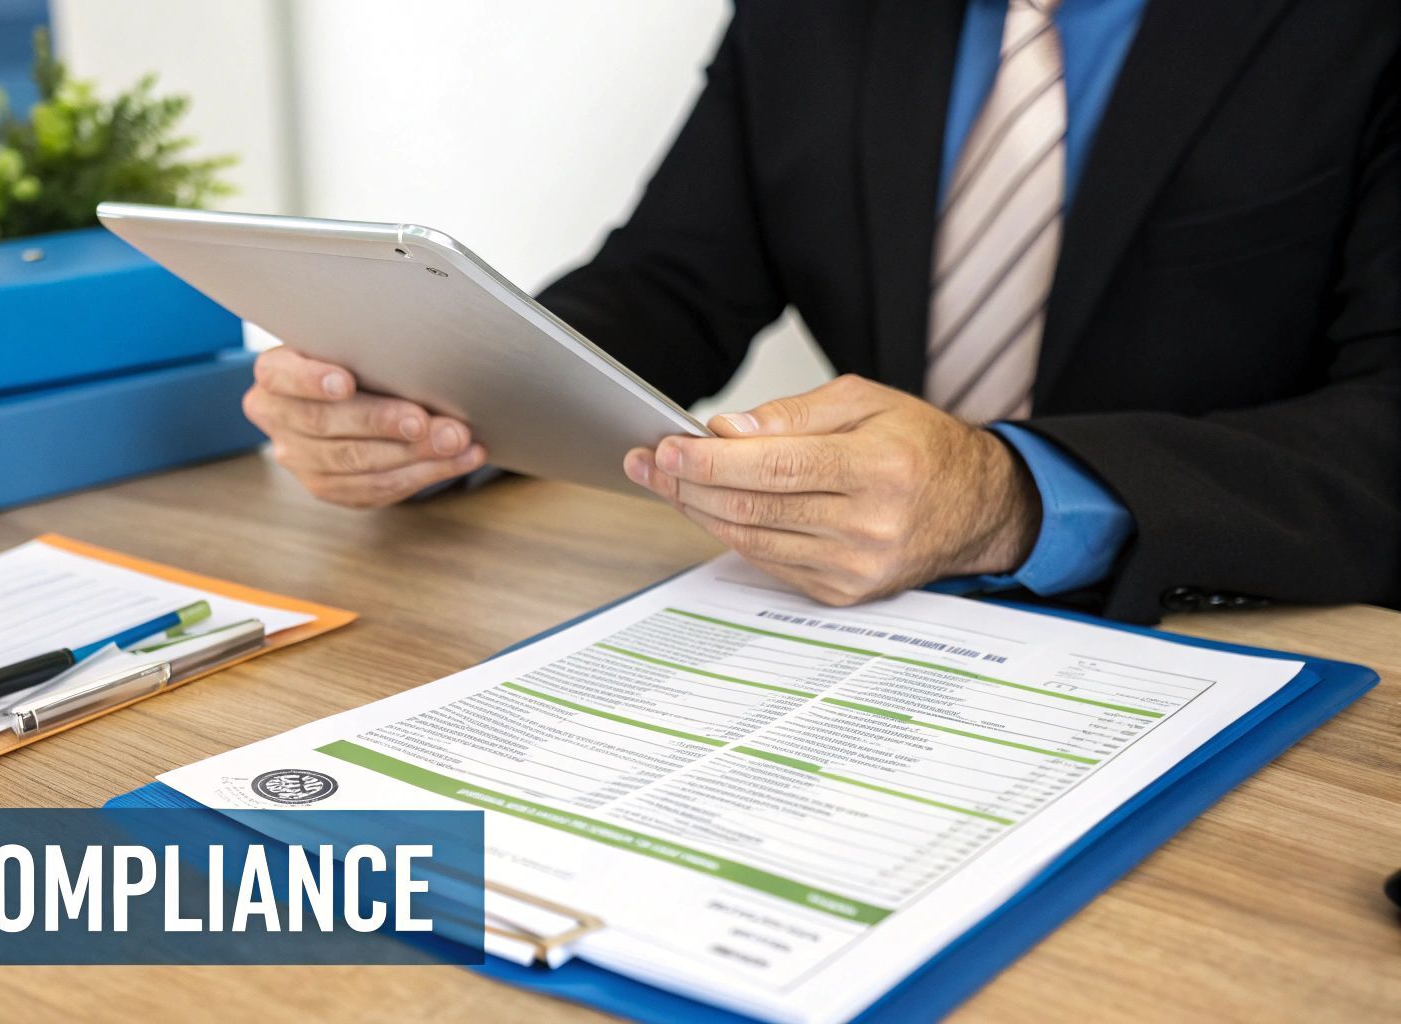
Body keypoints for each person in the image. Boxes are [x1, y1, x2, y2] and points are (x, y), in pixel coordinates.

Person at [240, 0, 1400, 624]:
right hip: (870, 643)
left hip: (1259, 637)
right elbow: (670, 283)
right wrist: (434, 397)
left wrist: (1005, 497)